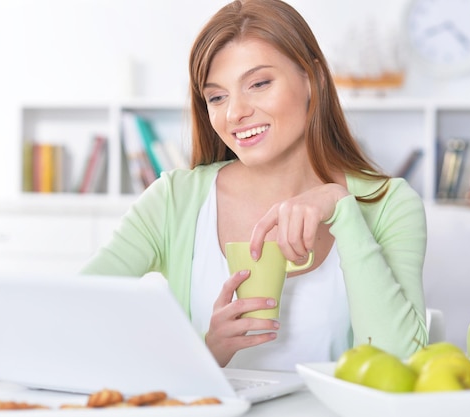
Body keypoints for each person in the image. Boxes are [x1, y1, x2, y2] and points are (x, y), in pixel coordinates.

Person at [81, 0, 427, 371]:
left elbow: (402, 367)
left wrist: (342, 209)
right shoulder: (174, 200)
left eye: (259, 84)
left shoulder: (389, 204)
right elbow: (75, 317)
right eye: (217, 96)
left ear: (314, 79)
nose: (234, 113)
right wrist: (207, 351)